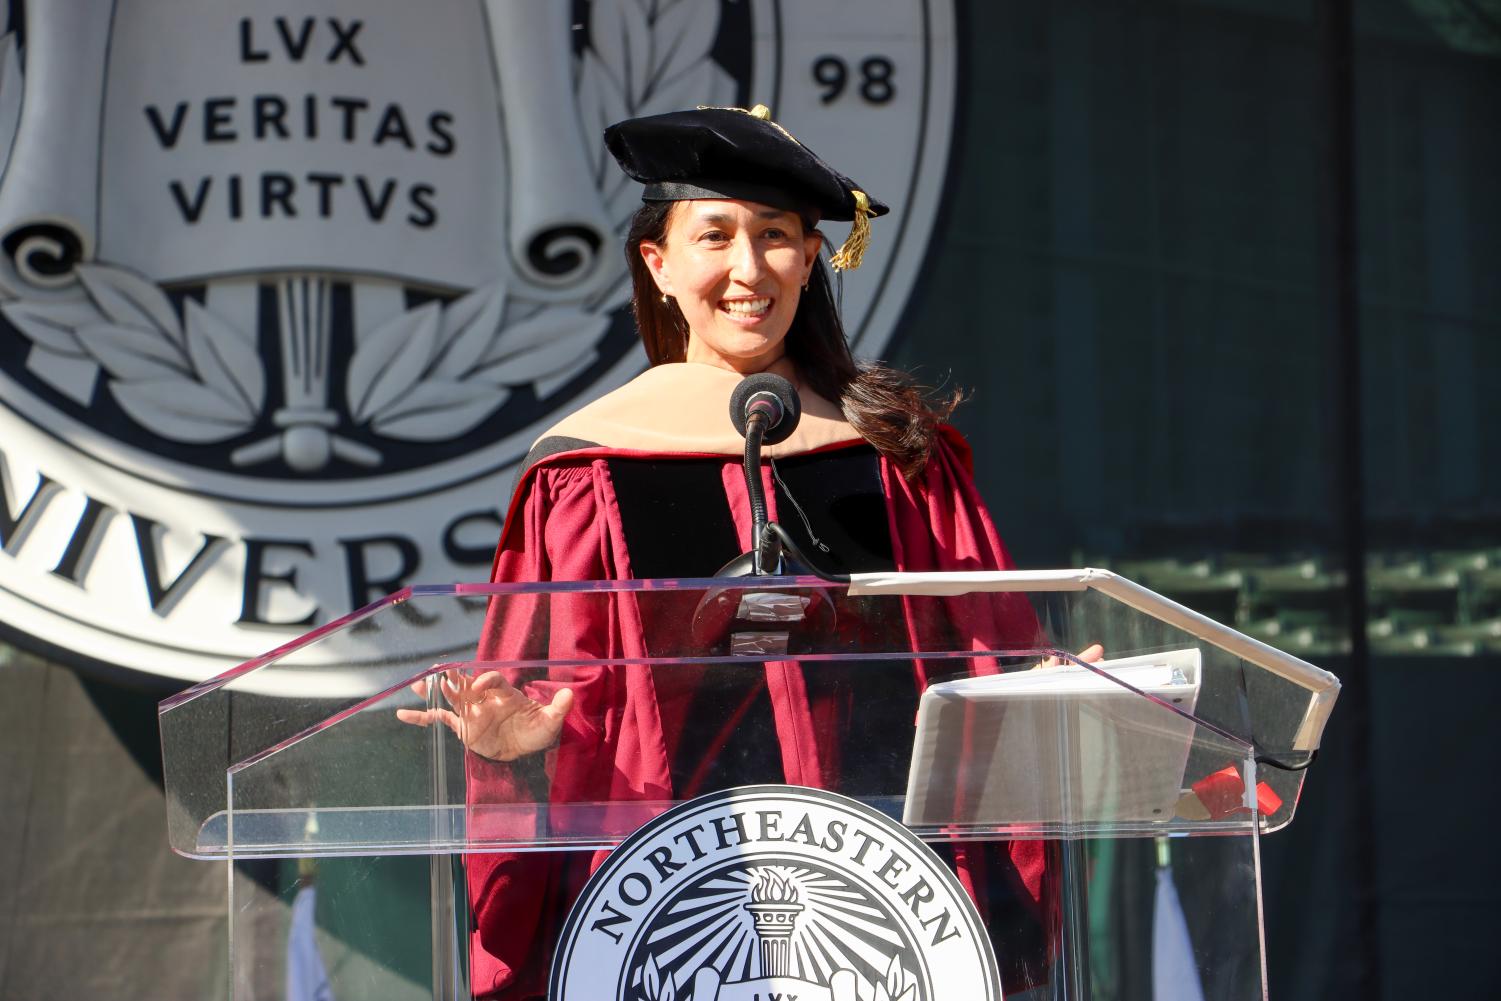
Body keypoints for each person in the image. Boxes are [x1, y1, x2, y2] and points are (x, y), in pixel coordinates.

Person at [400, 104, 1054, 999]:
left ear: (814, 256)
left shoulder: (900, 455)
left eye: (777, 236)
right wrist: (515, 752)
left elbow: (983, 650)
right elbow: (556, 698)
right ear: (658, 265)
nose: (749, 270)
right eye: (716, 236)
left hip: (888, 905)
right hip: (667, 907)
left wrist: (1046, 688)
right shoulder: (587, 470)